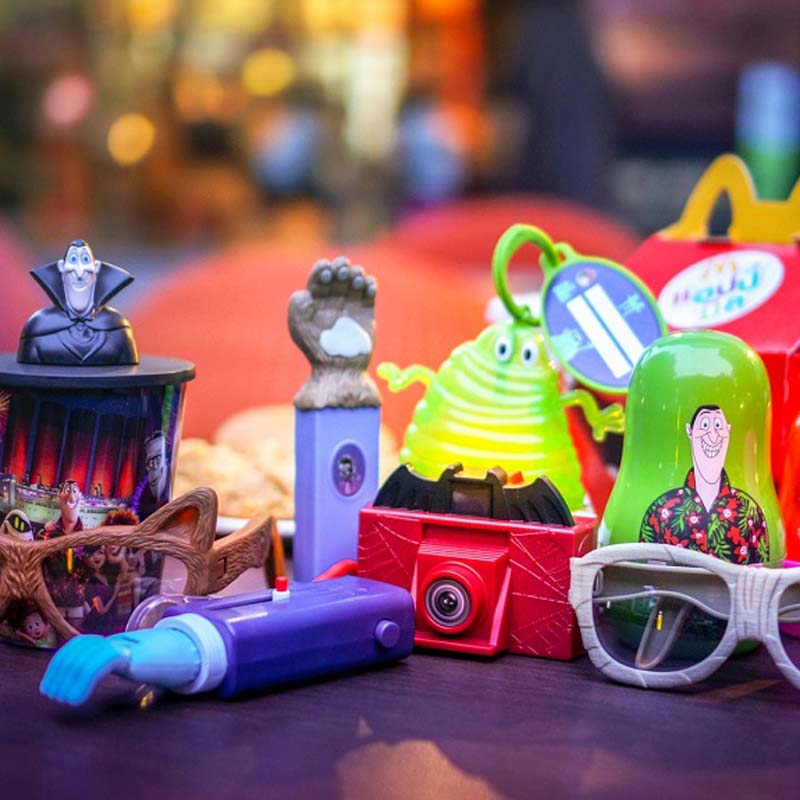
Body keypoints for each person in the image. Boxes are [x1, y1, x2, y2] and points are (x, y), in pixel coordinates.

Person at [639, 405, 768, 564]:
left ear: (728, 430)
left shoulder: (750, 511)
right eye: (705, 425)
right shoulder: (660, 510)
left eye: (718, 426)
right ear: (689, 431)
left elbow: (763, 574)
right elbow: (647, 574)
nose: (713, 436)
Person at [17, 240, 137, 366]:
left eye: (85, 260)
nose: (79, 272)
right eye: (73, 260)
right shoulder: (39, 326)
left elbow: (130, 372)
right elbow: (26, 372)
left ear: (96, 267)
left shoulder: (116, 325)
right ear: (61, 267)